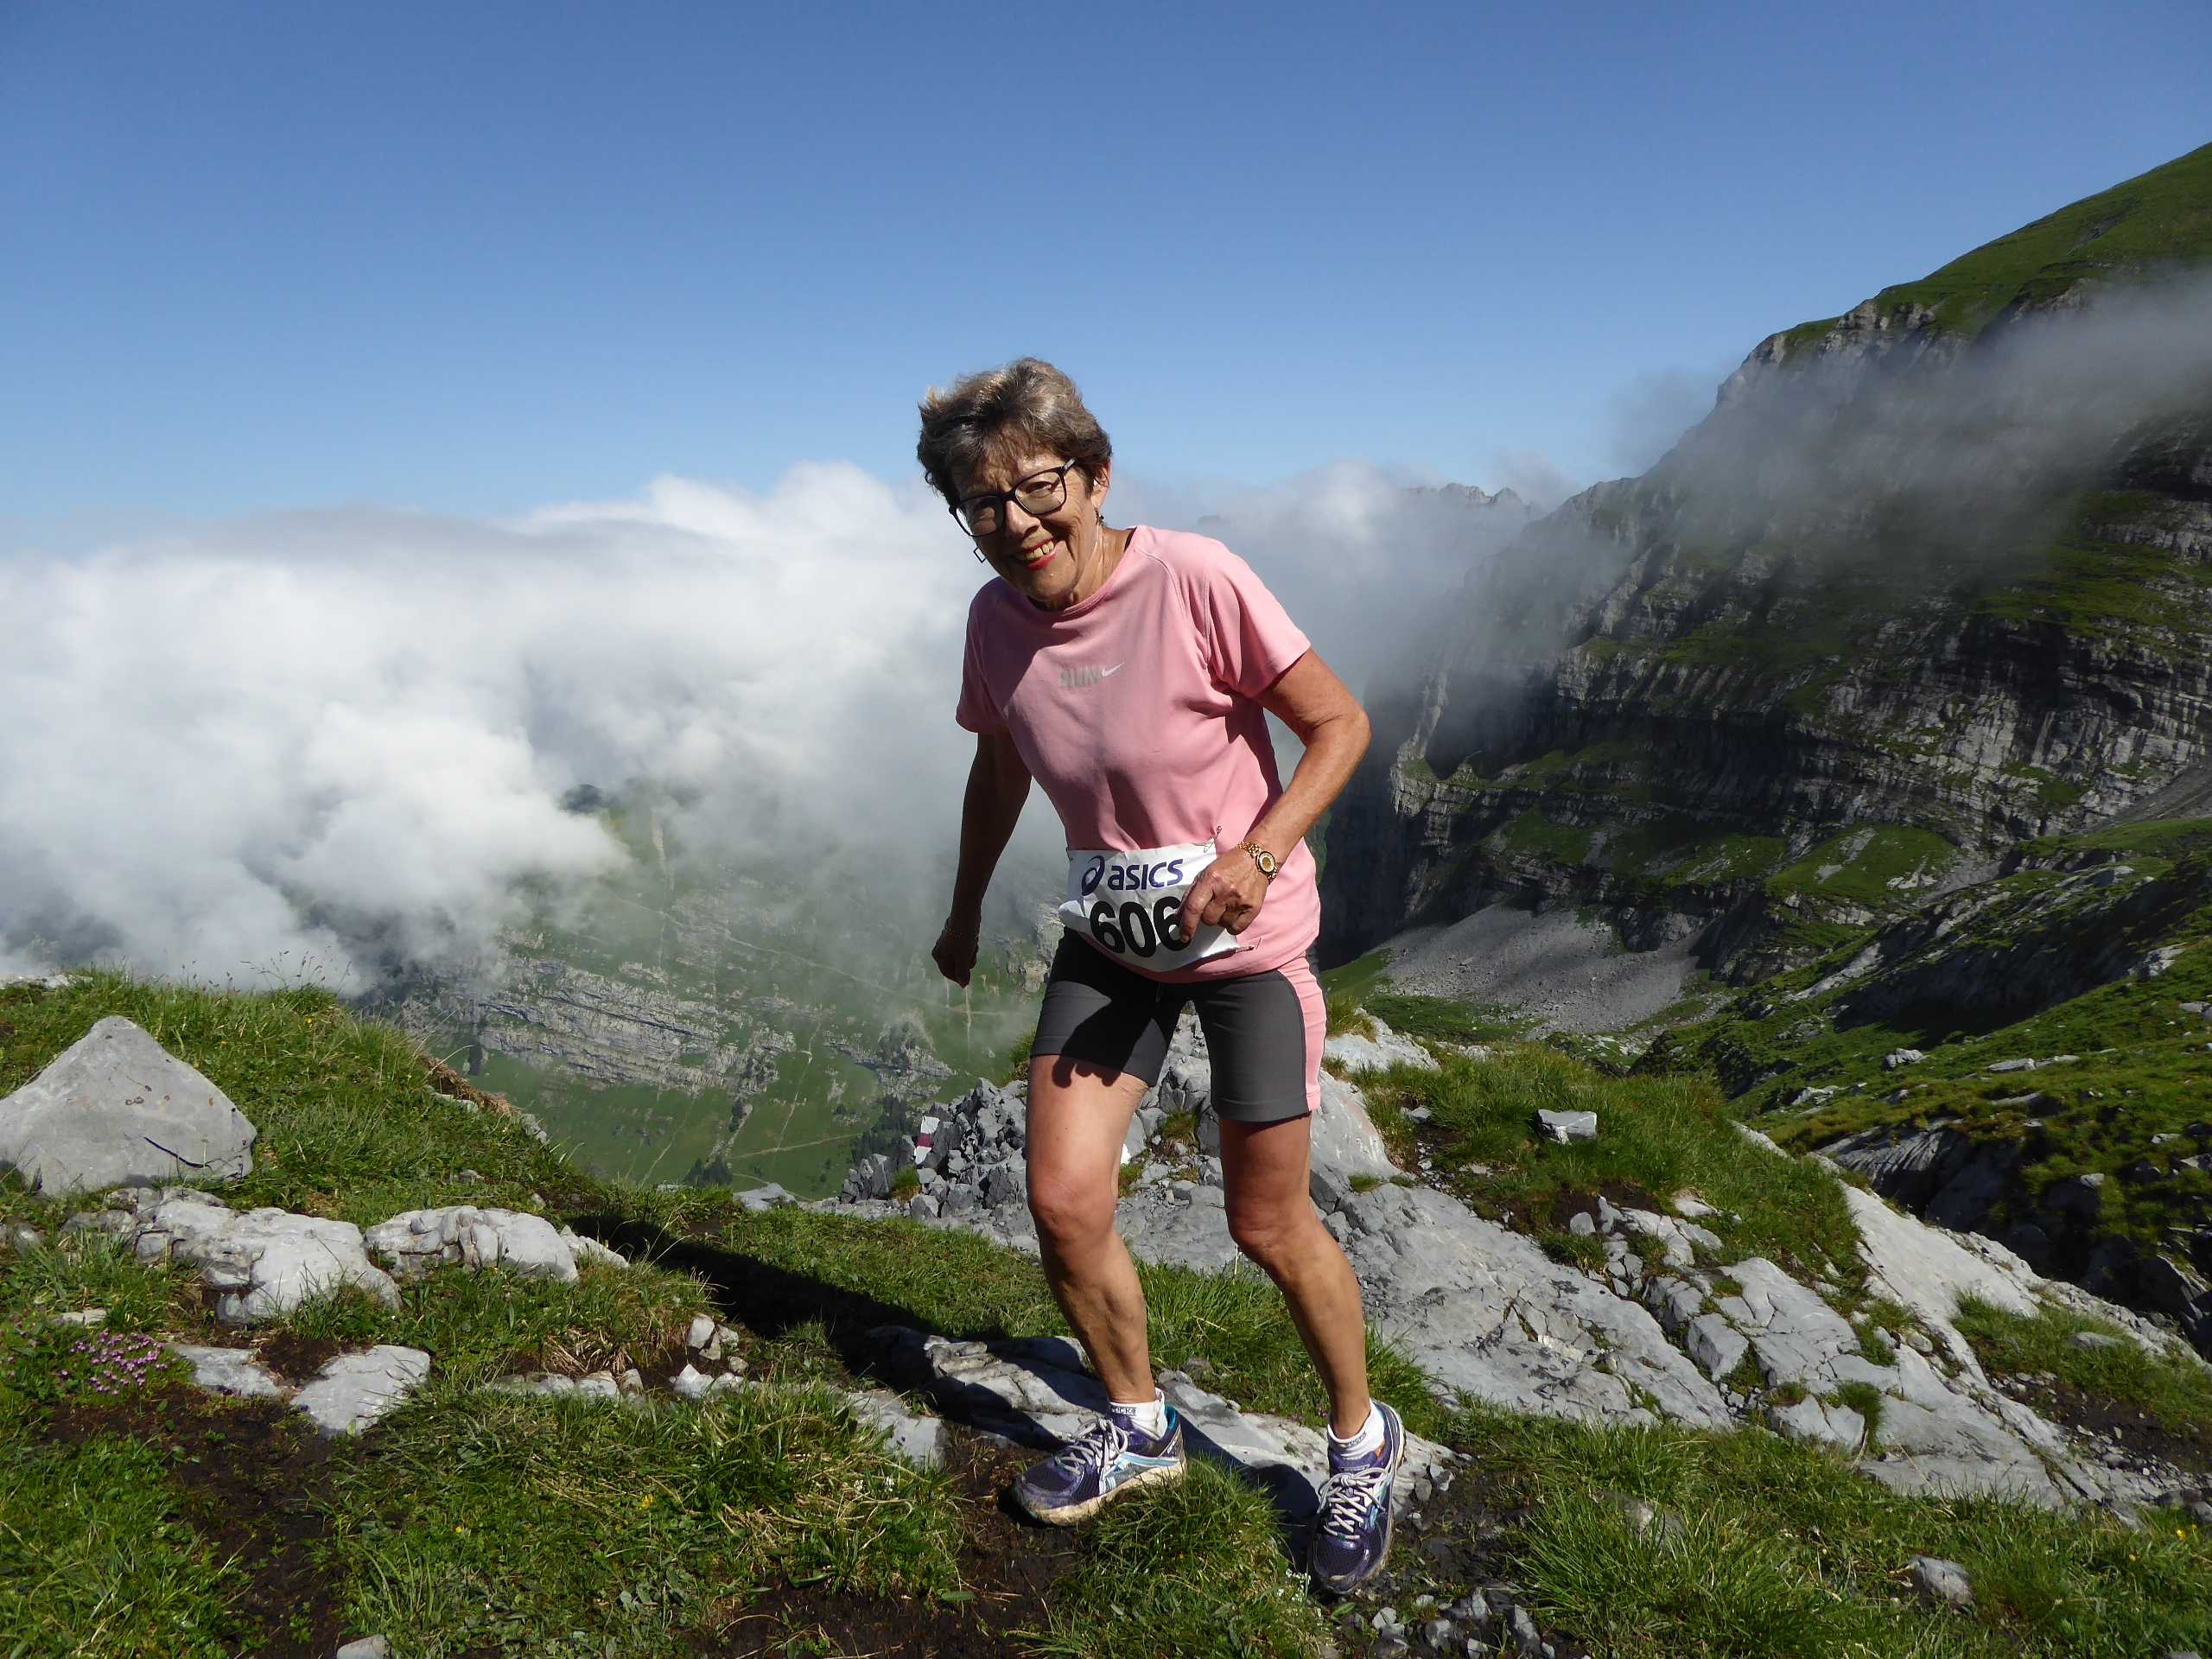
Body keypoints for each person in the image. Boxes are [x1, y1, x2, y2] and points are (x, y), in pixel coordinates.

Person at [919, 358, 1401, 1592]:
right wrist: (965, 909)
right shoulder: (993, 623)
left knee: (1266, 1223)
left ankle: (1361, 1442)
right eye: (982, 504)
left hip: (1246, 945)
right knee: (1064, 1198)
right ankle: (1139, 1424)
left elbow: (1339, 723)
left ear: (1094, 475)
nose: (1016, 524)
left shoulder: (1195, 577)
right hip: (1114, 941)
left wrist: (1257, 856)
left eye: (1039, 487)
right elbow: (999, 766)